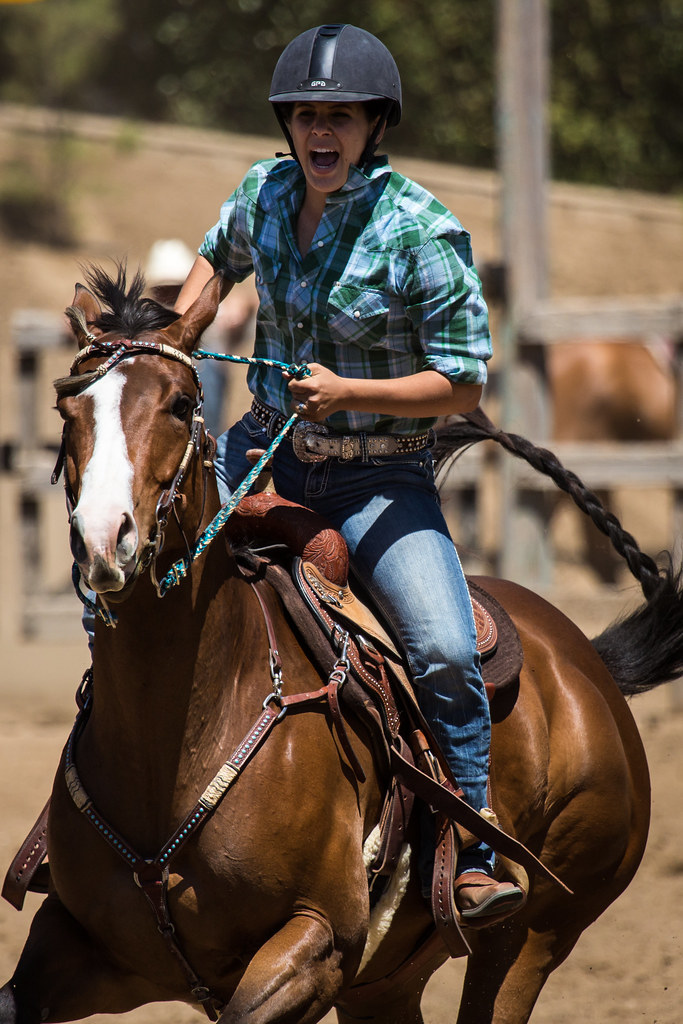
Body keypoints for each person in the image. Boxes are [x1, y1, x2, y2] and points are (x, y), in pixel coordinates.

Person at [175, 23, 524, 924]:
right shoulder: (264, 189)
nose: (319, 131)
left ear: (375, 124)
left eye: (339, 115)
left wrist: (349, 390)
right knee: (143, 587)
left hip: (379, 482)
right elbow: (216, 260)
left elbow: (464, 379)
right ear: (287, 125)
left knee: (445, 648)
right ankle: (97, 806)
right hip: (262, 455)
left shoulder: (419, 229)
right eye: (304, 115)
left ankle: (475, 848)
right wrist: (174, 339)